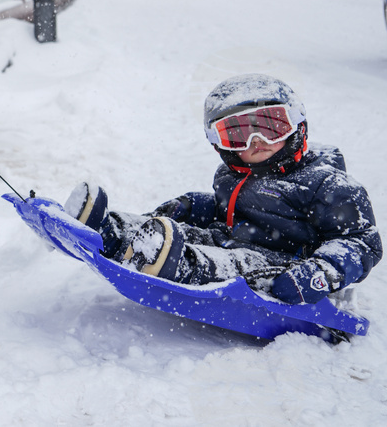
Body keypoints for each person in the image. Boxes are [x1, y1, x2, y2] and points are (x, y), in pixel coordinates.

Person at [66, 74, 381, 304]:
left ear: (295, 126)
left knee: (233, 264)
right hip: (228, 238)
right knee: (189, 233)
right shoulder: (233, 173)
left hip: (284, 264)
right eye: (238, 134)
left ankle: (176, 264)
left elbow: (361, 242)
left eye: (272, 127)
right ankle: (111, 229)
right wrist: (197, 206)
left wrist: (321, 271)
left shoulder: (328, 184)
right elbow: (227, 209)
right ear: (221, 145)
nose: (256, 141)